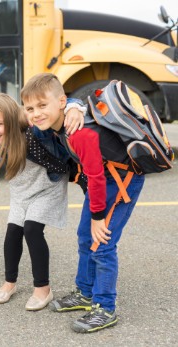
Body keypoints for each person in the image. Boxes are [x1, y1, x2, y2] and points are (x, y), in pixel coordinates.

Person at [21, 73, 145, 332]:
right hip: (105, 181)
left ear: (61, 102)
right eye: (30, 108)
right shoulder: (58, 123)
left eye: (43, 106)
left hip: (121, 182)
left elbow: (96, 177)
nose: (36, 113)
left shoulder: (79, 133)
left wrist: (98, 218)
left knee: (102, 242)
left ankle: (105, 307)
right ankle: (86, 293)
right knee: (84, 237)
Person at [0, 93, 82, 311]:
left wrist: (75, 108)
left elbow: (60, 106)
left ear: (11, 120)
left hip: (47, 186)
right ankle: (10, 283)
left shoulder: (28, 125)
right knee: (13, 233)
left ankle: (42, 288)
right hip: (21, 191)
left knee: (32, 230)